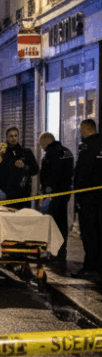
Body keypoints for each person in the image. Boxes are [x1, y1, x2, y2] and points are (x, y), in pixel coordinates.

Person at [38, 132, 74, 264]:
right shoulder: (67, 152)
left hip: (53, 195)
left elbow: (51, 175)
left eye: (42, 144)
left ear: (46, 141)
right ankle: (61, 254)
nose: (42, 148)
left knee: (53, 225)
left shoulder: (51, 153)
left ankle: (53, 254)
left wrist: (47, 192)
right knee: (62, 224)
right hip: (64, 195)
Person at [73, 119, 102, 280]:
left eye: (81, 130)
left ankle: (91, 268)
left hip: (89, 199)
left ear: (86, 129)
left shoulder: (86, 147)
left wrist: (78, 194)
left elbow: (83, 173)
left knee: (89, 234)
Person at [0, 127, 39, 209]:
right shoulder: (1, 153)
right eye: (11, 136)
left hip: (23, 195)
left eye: (15, 135)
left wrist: (24, 166)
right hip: (5, 195)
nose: (14, 138)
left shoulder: (26, 152)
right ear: (7, 138)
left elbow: (35, 170)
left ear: (19, 137)